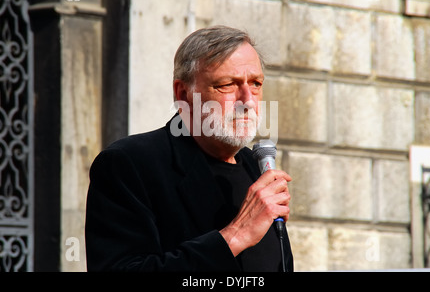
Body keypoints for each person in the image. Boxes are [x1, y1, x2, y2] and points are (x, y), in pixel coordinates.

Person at [85, 25, 294, 272]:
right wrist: (235, 236)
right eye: (227, 84)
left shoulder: (254, 166)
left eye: (256, 83)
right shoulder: (130, 164)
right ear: (184, 94)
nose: (248, 100)